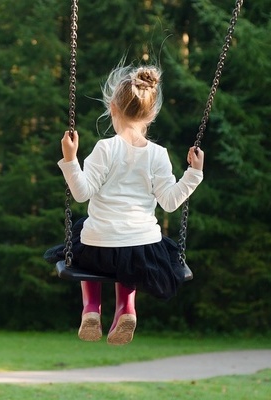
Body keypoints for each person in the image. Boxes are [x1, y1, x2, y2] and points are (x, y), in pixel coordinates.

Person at [47, 62, 204, 345]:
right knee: (130, 253)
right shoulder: (158, 154)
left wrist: (70, 159)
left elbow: (81, 193)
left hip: (98, 248)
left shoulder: (105, 149)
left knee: (85, 235)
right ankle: (126, 309)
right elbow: (170, 202)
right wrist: (193, 173)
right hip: (141, 251)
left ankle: (91, 309)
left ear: (112, 108)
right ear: (152, 114)